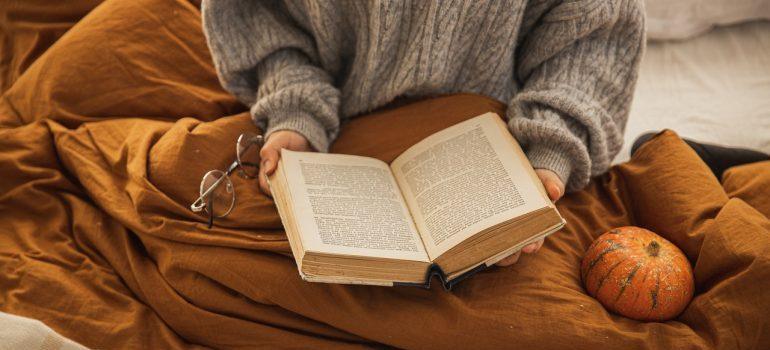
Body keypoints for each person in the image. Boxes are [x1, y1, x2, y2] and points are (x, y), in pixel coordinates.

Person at [201, 0, 645, 266]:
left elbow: (592, 34)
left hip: (503, 142)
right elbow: (258, 16)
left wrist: (548, 151)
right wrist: (294, 108)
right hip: (332, 129)